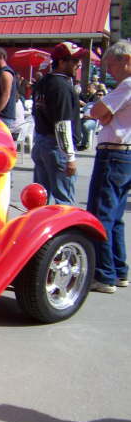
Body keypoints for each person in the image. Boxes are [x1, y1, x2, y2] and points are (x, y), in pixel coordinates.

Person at [86, 40, 131, 294]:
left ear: (126, 60)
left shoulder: (126, 86)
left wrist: (101, 111)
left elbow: (96, 112)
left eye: (111, 65)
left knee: (101, 214)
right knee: (115, 217)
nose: (109, 71)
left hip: (114, 154)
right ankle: (118, 269)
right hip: (124, 155)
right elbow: (102, 113)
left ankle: (104, 274)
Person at [31, 42, 87, 206]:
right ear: (62, 62)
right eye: (75, 61)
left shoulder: (43, 82)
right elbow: (62, 124)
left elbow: (37, 113)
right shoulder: (61, 86)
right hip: (56, 147)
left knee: (40, 199)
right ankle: (65, 232)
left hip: (42, 142)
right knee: (64, 201)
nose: (78, 64)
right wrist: (70, 156)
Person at [0, 47, 19, 135]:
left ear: (0, 56)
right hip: (2, 117)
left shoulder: (5, 73)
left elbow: (5, 95)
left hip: (4, 117)